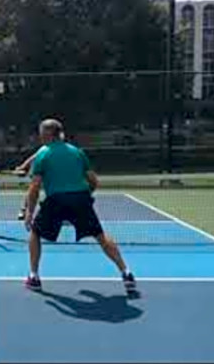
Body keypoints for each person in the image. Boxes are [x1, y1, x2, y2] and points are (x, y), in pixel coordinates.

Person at [23, 118, 136, 293]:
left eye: (41, 133)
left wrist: (29, 212)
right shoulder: (77, 152)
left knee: (35, 233)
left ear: (46, 134)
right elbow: (93, 181)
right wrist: (84, 197)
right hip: (80, 198)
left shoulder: (43, 154)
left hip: (56, 200)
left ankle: (34, 277)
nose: (39, 136)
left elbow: (34, 187)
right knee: (100, 235)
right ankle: (126, 272)